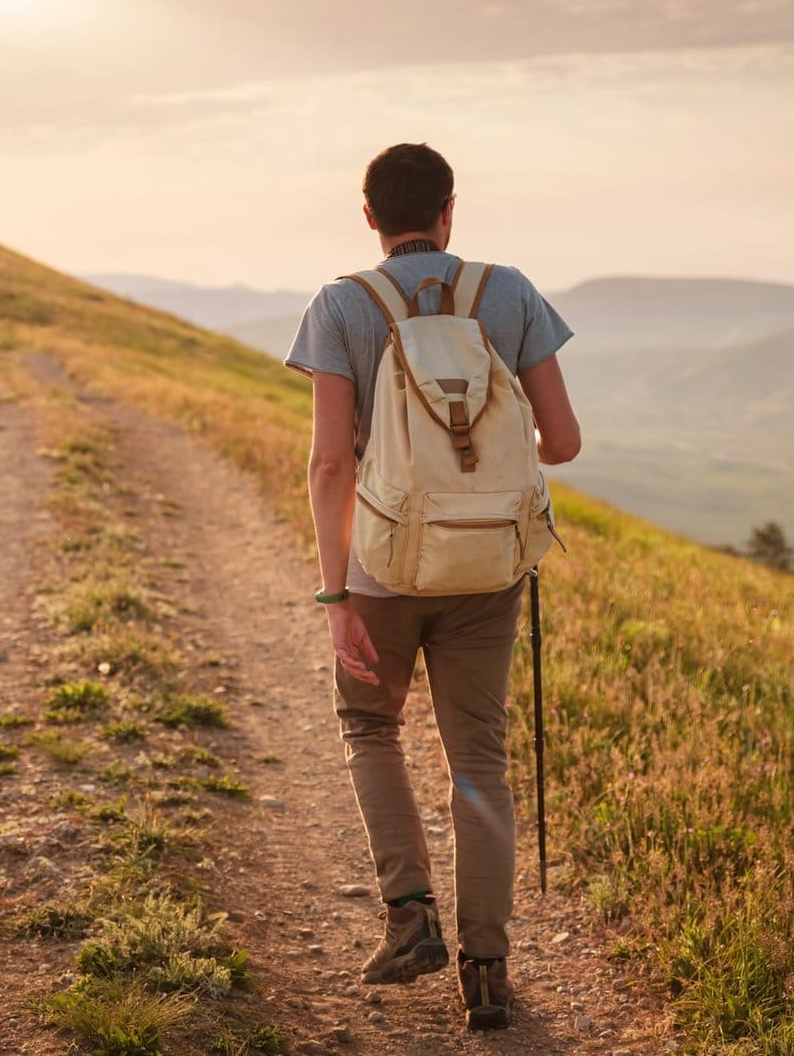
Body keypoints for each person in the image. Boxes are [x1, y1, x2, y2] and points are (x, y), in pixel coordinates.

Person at [283, 142, 581, 1031]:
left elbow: (331, 460)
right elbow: (561, 443)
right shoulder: (510, 291)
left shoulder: (341, 305)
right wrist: (481, 472)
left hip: (380, 567)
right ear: (452, 211)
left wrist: (337, 595)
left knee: (370, 724)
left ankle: (409, 916)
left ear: (368, 216)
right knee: (477, 756)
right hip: (488, 567)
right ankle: (487, 970)